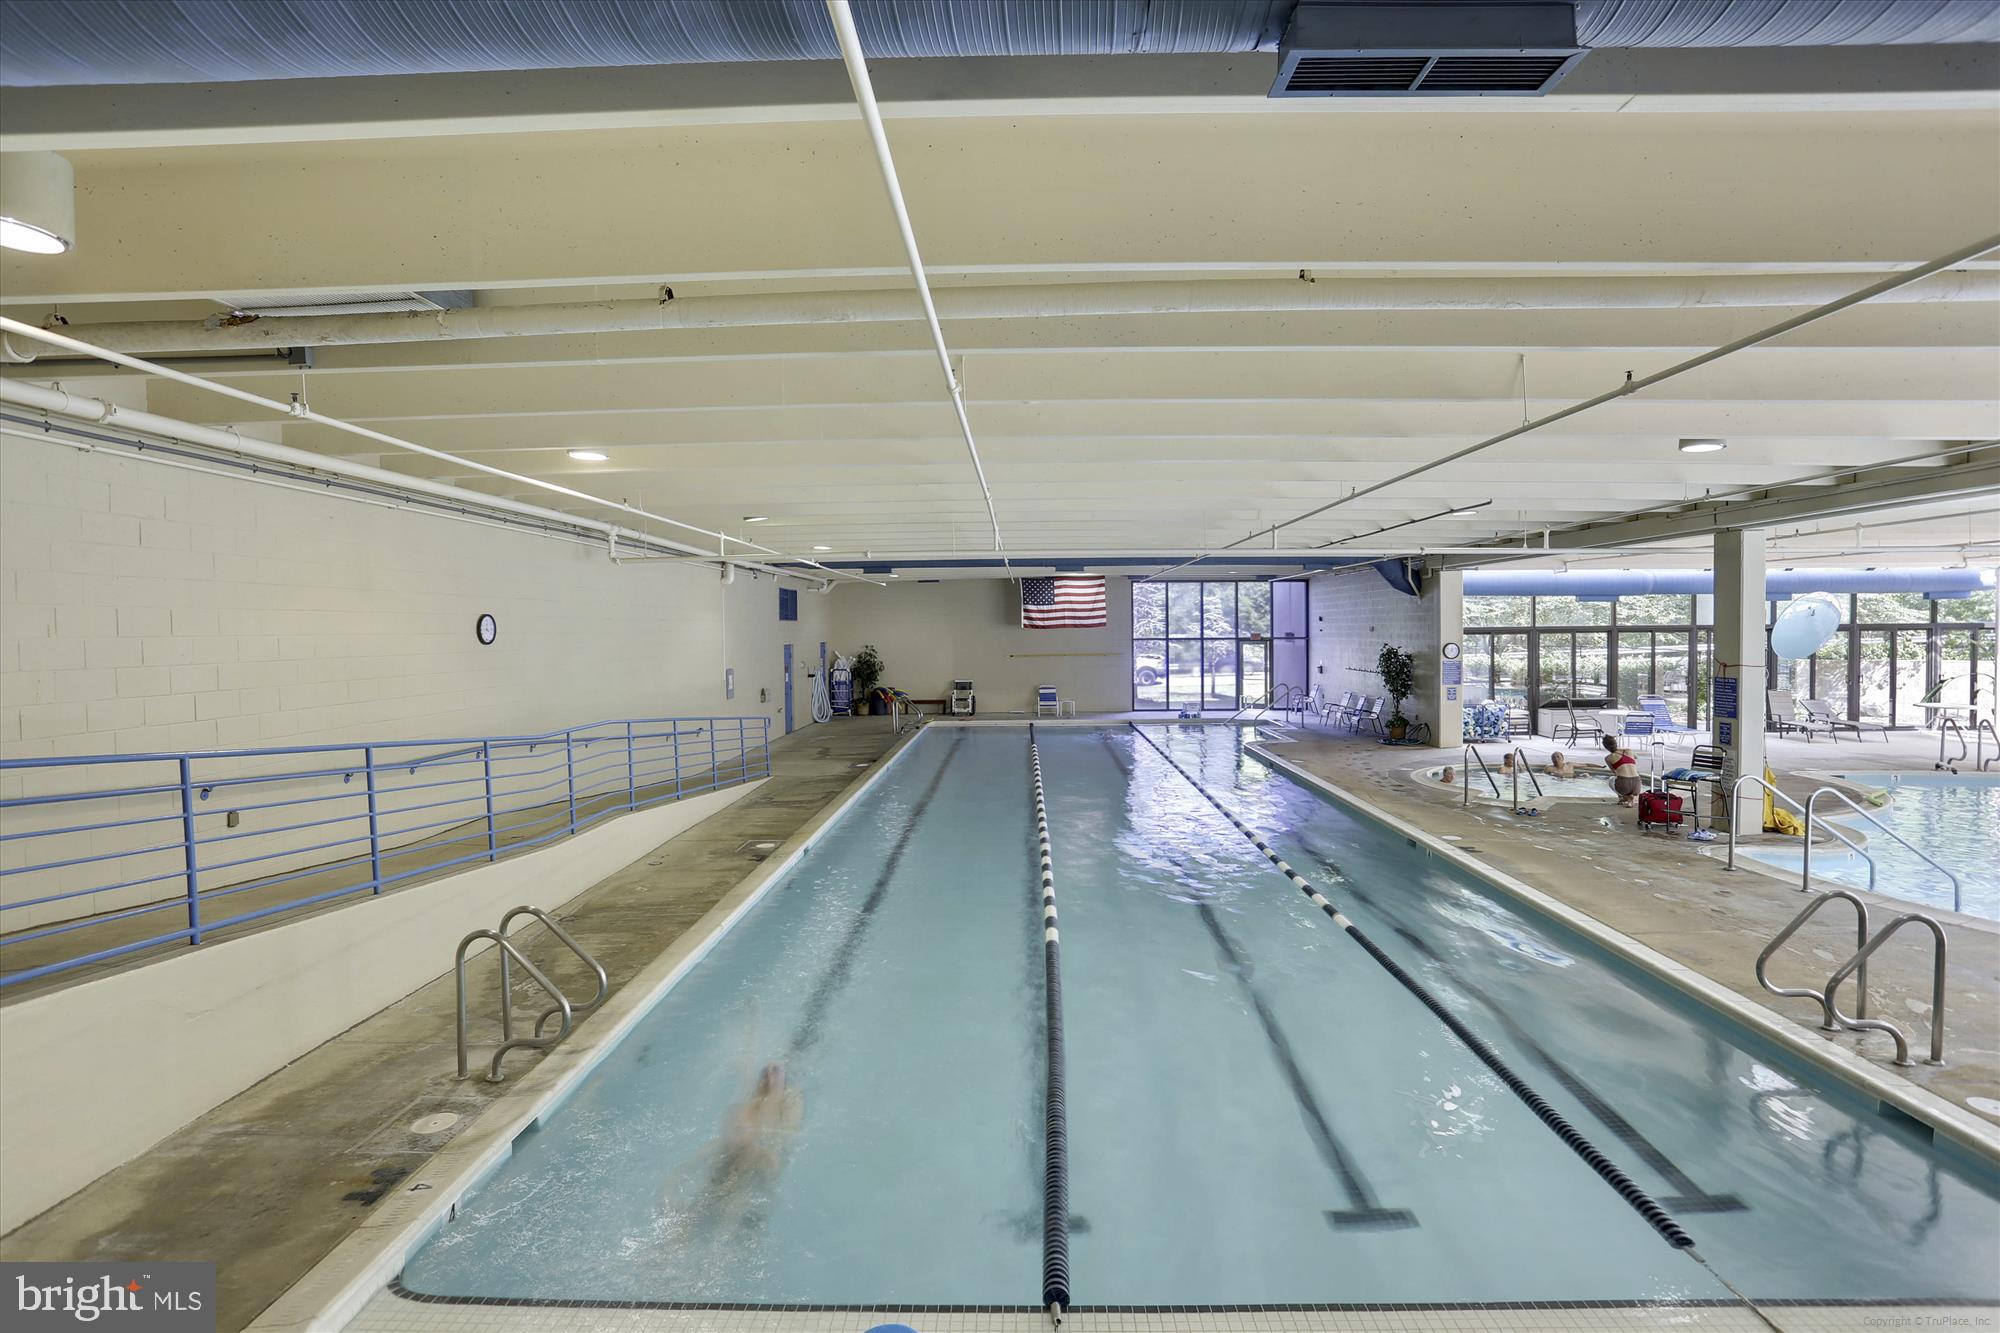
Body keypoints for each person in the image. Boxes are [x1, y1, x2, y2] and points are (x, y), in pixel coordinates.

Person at [1600, 735, 1641, 807]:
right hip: (1637, 785)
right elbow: (1636, 756)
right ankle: (1630, 799)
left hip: (1624, 785)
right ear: (1616, 743)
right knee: (1628, 778)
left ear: (1606, 747)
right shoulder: (1629, 751)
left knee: (1611, 779)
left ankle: (1623, 797)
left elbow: (1614, 772)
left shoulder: (1608, 758)